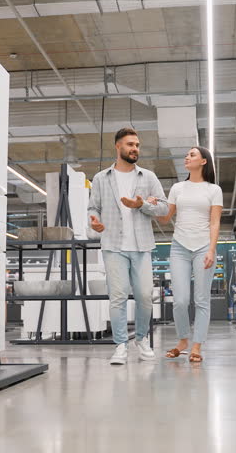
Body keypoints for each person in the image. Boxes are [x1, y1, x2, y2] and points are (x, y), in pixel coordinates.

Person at [88, 127, 168, 365]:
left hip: (142, 246)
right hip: (113, 245)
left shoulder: (149, 177)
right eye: (130, 144)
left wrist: (142, 204)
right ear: (118, 146)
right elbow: (94, 208)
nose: (135, 149)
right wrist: (94, 221)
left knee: (144, 296)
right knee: (118, 297)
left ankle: (141, 339)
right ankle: (120, 345)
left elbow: (164, 209)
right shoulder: (102, 178)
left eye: (137, 145)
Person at [150, 146, 223, 362]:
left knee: (201, 300)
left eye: (192, 154)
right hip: (179, 247)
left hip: (203, 247)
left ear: (203, 161)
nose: (187, 157)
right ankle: (183, 340)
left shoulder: (213, 190)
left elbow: (215, 222)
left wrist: (211, 249)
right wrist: (153, 207)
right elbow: (165, 218)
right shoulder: (177, 188)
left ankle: (196, 346)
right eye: (187, 154)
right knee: (180, 300)